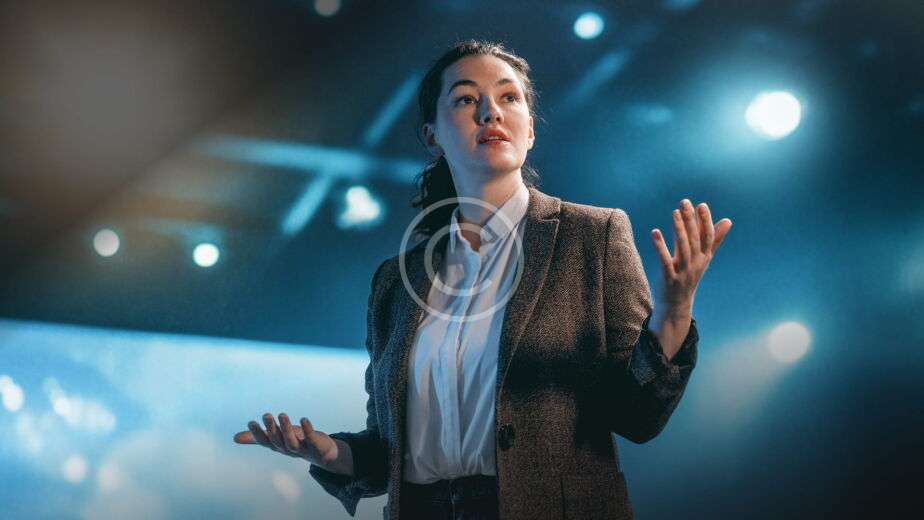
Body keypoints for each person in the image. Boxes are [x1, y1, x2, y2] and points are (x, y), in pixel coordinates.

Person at [234, 39, 732, 519]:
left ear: (529, 129)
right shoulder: (395, 282)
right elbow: (386, 453)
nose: (491, 112)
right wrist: (328, 452)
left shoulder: (591, 235)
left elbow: (639, 417)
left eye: (509, 97)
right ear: (432, 136)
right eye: (467, 99)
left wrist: (674, 312)